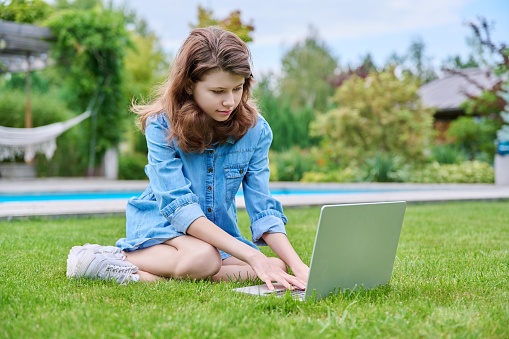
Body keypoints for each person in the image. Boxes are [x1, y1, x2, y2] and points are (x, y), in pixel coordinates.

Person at [67, 26, 309, 291]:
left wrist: (299, 266)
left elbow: (263, 208)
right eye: (218, 91)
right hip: (161, 227)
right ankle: (112, 259)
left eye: (237, 89)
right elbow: (180, 209)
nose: (230, 101)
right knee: (204, 258)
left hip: (216, 236)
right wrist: (251, 255)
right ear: (190, 84)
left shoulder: (256, 130)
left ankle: (151, 275)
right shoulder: (161, 125)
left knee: (277, 267)